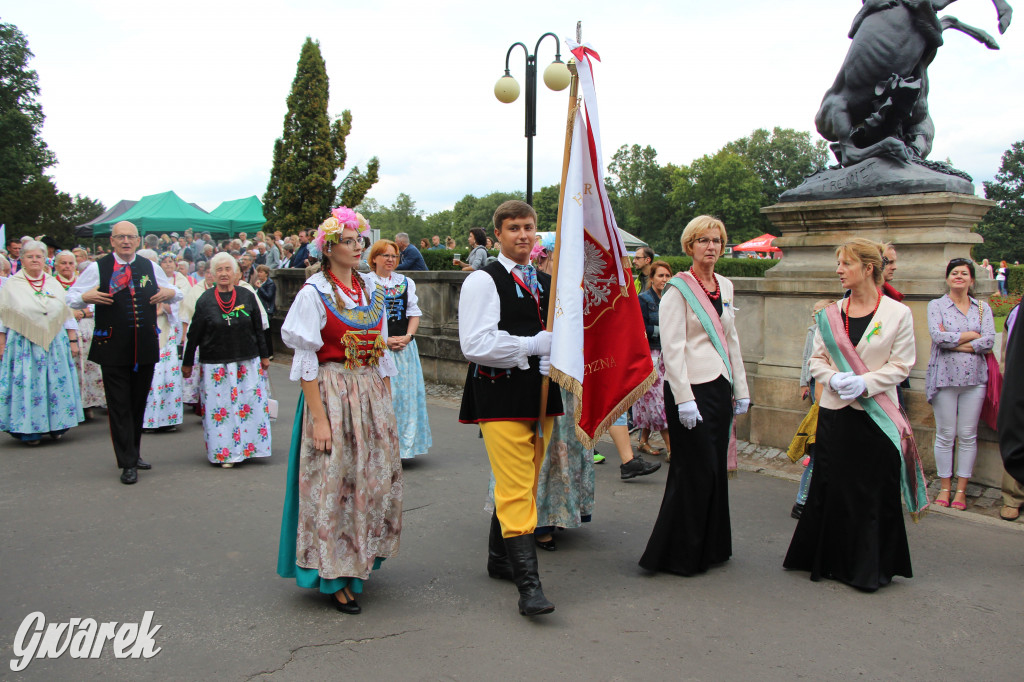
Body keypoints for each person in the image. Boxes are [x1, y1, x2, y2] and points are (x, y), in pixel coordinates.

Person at [278, 207, 402, 616]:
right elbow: (306, 362)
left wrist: (385, 407)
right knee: (335, 484)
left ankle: (359, 561)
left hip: (369, 395)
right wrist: (318, 418)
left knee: (370, 480)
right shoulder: (313, 293)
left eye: (359, 240)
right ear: (328, 249)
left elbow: (381, 351)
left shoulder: (372, 289)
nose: (357, 246)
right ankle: (332, 573)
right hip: (332, 392)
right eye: (348, 241)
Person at [784, 238, 924, 592]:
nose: (839, 270)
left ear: (868, 268)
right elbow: (815, 361)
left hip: (876, 414)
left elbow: (902, 364)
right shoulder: (830, 314)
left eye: (845, 264)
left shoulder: (898, 313)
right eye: (839, 264)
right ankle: (829, 560)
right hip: (836, 413)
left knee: (872, 491)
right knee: (833, 489)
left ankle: (866, 565)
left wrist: (864, 383)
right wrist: (834, 378)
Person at [459, 200, 562, 616]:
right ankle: (529, 586)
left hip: (540, 392)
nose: (523, 234)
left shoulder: (543, 279)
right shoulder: (483, 281)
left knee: (527, 478)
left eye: (529, 227)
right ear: (497, 234)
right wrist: (531, 345)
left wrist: (558, 350)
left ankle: (499, 559)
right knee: (518, 485)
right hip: (499, 392)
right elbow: (475, 344)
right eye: (514, 227)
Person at [639, 216, 749, 577]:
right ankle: (678, 553)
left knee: (714, 469)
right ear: (690, 246)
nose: (712, 247)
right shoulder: (678, 290)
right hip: (689, 391)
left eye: (717, 240)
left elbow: (732, 341)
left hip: (719, 387)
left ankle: (712, 547)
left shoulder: (726, 286)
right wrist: (683, 397)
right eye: (704, 240)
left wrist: (741, 389)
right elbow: (672, 348)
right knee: (694, 470)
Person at [66, 221, 181, 485]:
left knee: (138, 402)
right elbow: (70, 297)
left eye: (131, 237)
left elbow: (176, 293)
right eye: (121, 237)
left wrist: (169, 292)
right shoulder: (99, 267)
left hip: (145, 345)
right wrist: (87, 297)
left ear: (138, 241)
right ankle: (127, 462)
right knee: (119, 405)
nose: (126, 241)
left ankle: (134, 452)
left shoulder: (149, 266)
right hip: (113, 346)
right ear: (112, 241)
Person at [181, 253, 271, 467]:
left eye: (227, 269)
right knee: (221, 409)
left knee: (247, 405)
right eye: (219, 270)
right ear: (212, 274)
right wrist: (187, 362)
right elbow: (194, 333)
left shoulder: (247, 296)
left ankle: (251, 449)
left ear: (235, 273)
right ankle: (225, 454)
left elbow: (258, 328)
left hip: (246, 361)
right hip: (216, 364)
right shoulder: (205, 300)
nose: (223, 274)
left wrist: (265, 355)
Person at [925, 258, 995, 510]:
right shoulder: (937, 305)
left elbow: (988, 341)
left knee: (967, 435)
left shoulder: (982, 308)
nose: (959, 276)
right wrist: (972, 337)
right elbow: (938, 337)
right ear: (947, 278)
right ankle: (945, 487)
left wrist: (957, 342)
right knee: (945, 435)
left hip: (975, 380)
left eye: (964, 273)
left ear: (971, 280)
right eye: (954, 273)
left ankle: (961, 491)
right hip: (944, 378)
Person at [0, 240, 84, 445]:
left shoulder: (53, 282)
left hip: (54, 343)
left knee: (54, 382)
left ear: (45, 259)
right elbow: (3, 317)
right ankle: (29, 430)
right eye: (30, 257)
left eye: (39, 256)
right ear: (21, 260)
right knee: (28, 384)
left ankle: (58, 424)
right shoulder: (12, 284)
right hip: (24, 344)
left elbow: (66, 314)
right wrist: (1, 344)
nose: (35, 260)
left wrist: (73, 340)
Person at [368, 239, 432, 459]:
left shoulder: (406, 282)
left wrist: (408, 336)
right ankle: (380, 449)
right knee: (383, 398)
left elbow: (413, 313)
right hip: (377, 349)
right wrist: (383, 340)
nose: (390, 260)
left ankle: (403, 447)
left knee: (406, 397)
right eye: (385, 255)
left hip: (404, 349)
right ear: (374, 258)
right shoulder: (366, 282)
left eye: (394, 256)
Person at [791, 299, 834, 519]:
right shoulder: (815, 332)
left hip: (839, 397)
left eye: (818, 311)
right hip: (824, 396)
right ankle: (802, 501)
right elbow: (808, 359)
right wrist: (804, 383)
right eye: (814, 312)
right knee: (817, 452)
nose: (814, 315)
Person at [55, 251, 105, 418]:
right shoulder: (52, 284)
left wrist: (82, 313)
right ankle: (70, 406)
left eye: (70, 263)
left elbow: (95, 304)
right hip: (63, 330)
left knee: (88, 367)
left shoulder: (82, 283)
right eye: (63, 263)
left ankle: (87, 404)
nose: (67, 266)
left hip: (86, 328)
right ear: (56, 265)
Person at [634, 260, 673, 461]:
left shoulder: (671, 298)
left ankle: (643, 440)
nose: (664, 280)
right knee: (658, 401)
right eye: (660, 276)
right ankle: (671, 447)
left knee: (648, 401)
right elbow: (639, 327)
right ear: (651, 278)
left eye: (667, 276)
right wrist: (663, 330)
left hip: (668, 355)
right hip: (650, 356)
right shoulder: (643, 299)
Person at [998, 303, 1022, 520]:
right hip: (1019, 383)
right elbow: (1007, 352)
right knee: (1016, 434)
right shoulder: (1017, 311)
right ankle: (1012, 497)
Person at [253, 265, 276, 358]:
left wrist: (260, 288)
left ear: (266, 274)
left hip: (267, 310)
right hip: (260, 310)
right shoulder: (260, 282)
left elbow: (269, 296)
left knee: (267, 334)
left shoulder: (270, 283)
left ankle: (270, 353)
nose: (259, 274)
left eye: (261, 272)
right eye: (258, 272)